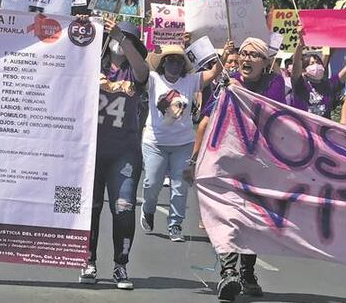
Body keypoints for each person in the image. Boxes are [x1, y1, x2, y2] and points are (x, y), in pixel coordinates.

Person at [186, 37, 308, 301]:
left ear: (265, 62)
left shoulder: (275, 83)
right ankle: (228, 273)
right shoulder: (227, 83)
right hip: (228, 162)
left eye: (254, 55)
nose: (247, 58)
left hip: (261, 165)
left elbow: (285, 105)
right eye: (244, 53)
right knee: (227, 214)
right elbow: (207, 120)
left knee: (252, 219)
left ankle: (247, 272)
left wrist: (298, 48)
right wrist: (194, 159)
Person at [79, 18, 149, 290]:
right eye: (118, 40)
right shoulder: (93, 65)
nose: (122, 44)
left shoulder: (135, 72)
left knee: (123, 209)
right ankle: (88, 260)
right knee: (91, 208)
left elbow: (142, 71)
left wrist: (124, 37)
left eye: (129, 41)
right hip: (92, 150)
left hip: (125, 151)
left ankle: (121, 264)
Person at [140, 42, 221, 242]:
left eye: (178, 61)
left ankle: (175, 224)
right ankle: (148, 209)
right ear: (162, 63)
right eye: (169, 61)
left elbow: (214, 72)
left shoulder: (190, 81)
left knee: (180, 186)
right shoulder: (152, 79)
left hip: (183, 144)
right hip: (155, 143)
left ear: (183, 64)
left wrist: (224, 54)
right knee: (152, 183)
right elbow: (139, 69)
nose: (174, 64)